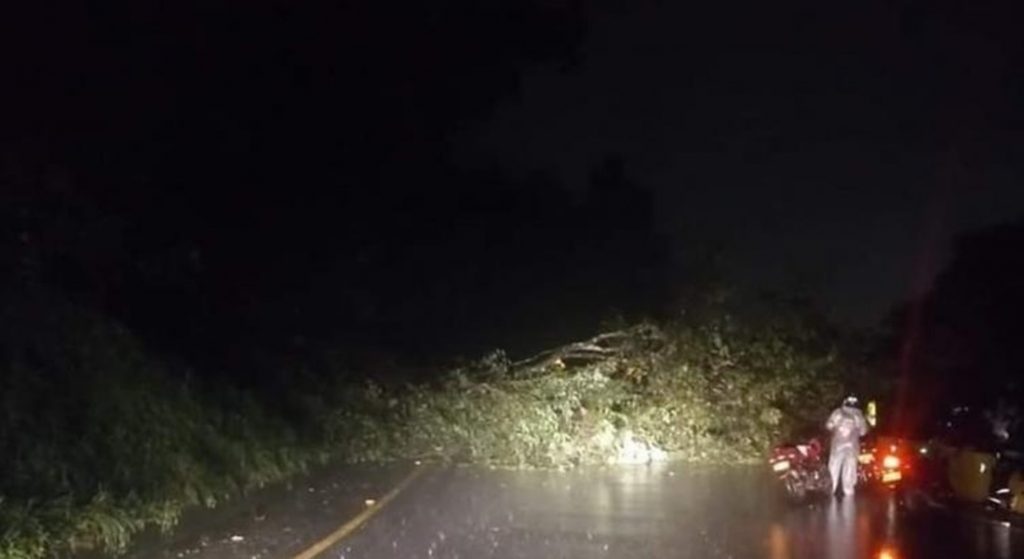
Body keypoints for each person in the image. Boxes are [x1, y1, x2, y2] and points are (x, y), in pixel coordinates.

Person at [826, 395, 869, 496]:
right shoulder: (859, 415)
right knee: (849, 470)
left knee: (833, 469)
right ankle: (848, 492)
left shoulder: (837, 412)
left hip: (837, 446)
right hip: (852, 448)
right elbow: (863, 432)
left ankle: (831, 490)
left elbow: (829, 426)